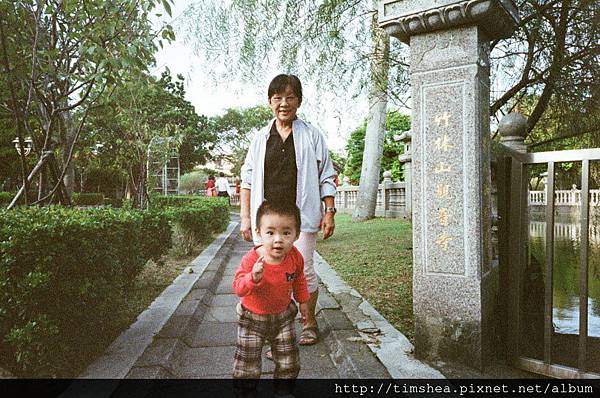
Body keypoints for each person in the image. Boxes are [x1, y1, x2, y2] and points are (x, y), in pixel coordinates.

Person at [240, 74, 336, 349]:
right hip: (268, 220)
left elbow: (326, 175)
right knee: (269, 272)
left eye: (290, 97)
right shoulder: (260, 139)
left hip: (301, 217)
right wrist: (247, 218)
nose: (284, 103)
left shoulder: (312, 135)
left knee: (303, 270)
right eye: (278, 98)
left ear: (299, 101)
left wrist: (329, 211)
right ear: (270, 102)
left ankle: (308, 323)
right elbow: (246, 180)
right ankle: (276, 328)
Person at [232, 201, 308, 397]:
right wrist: (252, 278)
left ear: (297, 234)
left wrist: (304, 302)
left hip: (283, 317)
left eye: (286, 232)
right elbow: (238, 288)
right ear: (259, 232)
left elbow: (299, 278)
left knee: (288, 361)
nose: (278, 240)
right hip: (251, 319)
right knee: (247, 364)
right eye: (270, 232)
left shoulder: (295, 256)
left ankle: (283, 391)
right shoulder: (251, 259)